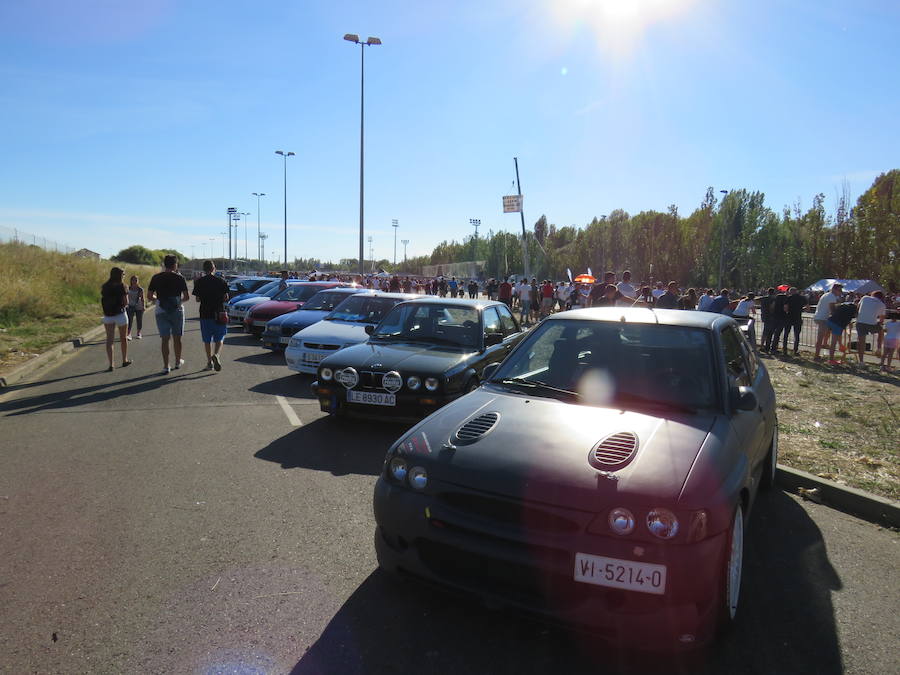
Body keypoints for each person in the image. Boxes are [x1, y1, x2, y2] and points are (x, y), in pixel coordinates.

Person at [148, 254, 190, 374]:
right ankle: (177, 362)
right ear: (175, 264)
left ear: (164, 264)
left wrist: (160, 301)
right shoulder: (180, 278)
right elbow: (186, 297)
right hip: (177, 310)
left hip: (161, 310)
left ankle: (166, 366)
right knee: (177, 337)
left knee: (165, 339)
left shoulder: (156, 278)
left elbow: (150, 296)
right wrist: (177, 302)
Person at [192, 260, 230, 372]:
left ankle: (209, 362)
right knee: (220, 337)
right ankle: (217, 355)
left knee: (207, 340)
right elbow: (226, 297)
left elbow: (197, 299)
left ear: (204, 269)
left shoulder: (199, 282)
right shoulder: (221, 281)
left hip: (205, 313)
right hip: (219, 313)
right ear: (214, 269)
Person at [100, 267, 131, 372]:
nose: (124, 276)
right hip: (120, 314)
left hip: (108, 315)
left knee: (110, 340)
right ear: (119, 275)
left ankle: (111, 364)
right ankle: (124, 359)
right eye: (123, 274)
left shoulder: (105, 286)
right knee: (123, 338)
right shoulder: (123, 286)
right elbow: (126, 302)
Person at [855, 291, 886, 365]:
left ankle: (861, 361)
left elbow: (858, 308)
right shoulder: (882, 305)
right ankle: (878, 348)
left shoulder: (865, 298)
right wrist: (879, 322)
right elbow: (882, 319)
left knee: (861, 342)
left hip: (860, 322)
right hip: (871, 323)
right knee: (881, 331)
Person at [814, 282, 843, 360]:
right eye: (839, 290)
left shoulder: (826, 295)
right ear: (834, 290)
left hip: (820, 317)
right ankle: (816, 356)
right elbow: (832, 309)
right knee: (820, 337)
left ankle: (824, 345)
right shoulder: (831, 296)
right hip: (822, 318)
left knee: (825, 333)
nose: (840, 292)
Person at [782, 287, 807, 355]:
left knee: (786, 334)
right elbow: (807, 307)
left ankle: (784, 349)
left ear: (791, 292)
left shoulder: (789, 298)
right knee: (797, 335)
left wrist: (788, 311)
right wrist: (801, 309)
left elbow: (785, 308)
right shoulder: (802, 298)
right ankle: (795, 350)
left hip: (789, 317)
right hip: (798, 317)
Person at [125, 275, 145, 340]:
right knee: (129, 320)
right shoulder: (128, 288)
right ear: (131, 281)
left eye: (136, 280)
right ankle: (129, 334)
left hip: (138, 306)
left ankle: (139, 333)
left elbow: (142, 299)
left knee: (139, 320)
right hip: (130, 306)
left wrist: (143, 306)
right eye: (133, 280)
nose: (135, 281)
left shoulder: (140, 289)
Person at [759, 288, 777, 353]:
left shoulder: (763, 298)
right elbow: (772, 307)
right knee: (770, 333)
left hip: (764, 316)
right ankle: (768, 346)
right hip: (771, 317)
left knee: (764, 332)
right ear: (773, 292)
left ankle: (761, 345)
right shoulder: (774, 299)